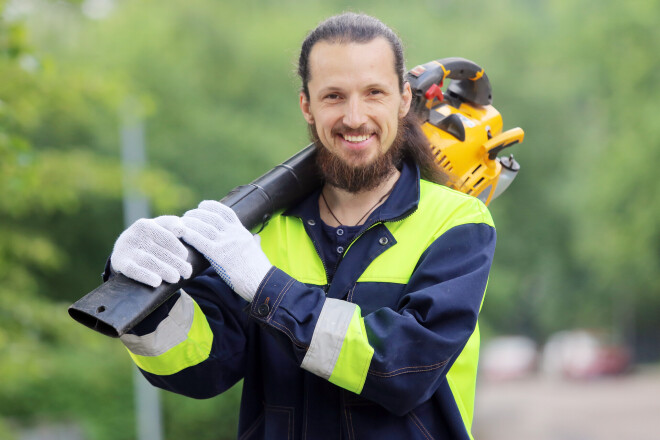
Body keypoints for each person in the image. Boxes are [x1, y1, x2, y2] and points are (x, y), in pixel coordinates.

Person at [108, 12, 496, 440]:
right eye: (333, 96)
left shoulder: (457, 222)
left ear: (404, 100)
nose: (354, 116)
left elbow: (402, 369)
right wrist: (142, 286)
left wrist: (268, 288)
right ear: (306, 106)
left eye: (374, 93)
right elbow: (199, 369)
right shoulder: (263, 233)